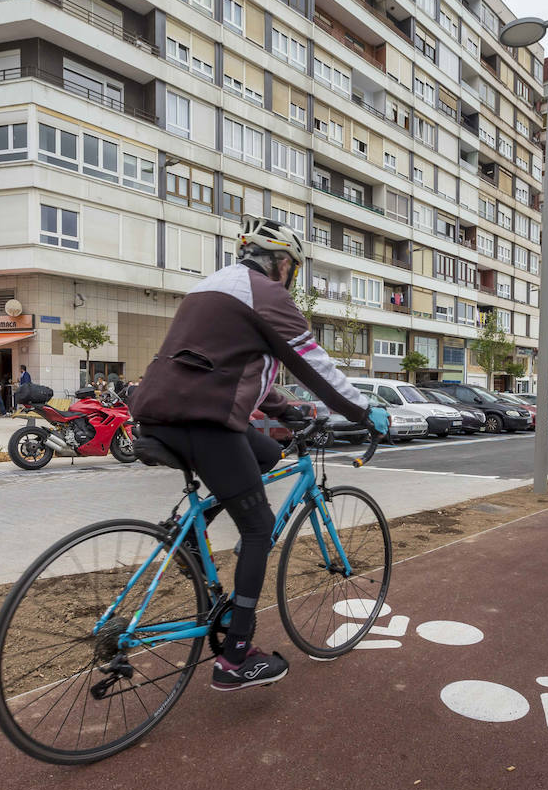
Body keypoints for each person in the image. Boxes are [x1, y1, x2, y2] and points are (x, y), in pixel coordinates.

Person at [130, 215, 389, 692]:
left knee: (266, 453)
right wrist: (364, 410)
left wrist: (288, 411)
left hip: (159, 412)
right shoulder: (267, 294)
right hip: (203, 423)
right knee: (259, 527)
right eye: (291, 268)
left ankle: (194, 531)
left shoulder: (208, 288)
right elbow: (311, 360)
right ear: (281, 262)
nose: (290, 278)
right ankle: (236, 657)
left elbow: (232, 369)